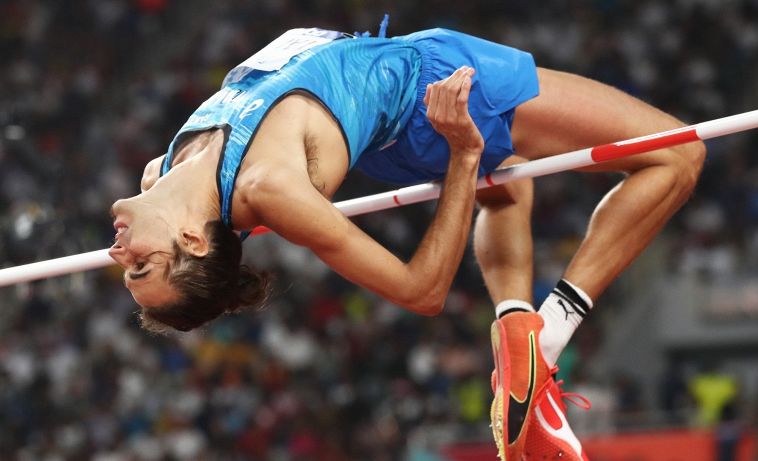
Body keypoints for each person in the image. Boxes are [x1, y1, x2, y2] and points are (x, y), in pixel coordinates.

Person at [108, 24, 705, 460]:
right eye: (141, 269)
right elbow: (423, 292)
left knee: (508, 187)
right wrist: (463, 150)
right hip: (433, 85)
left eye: (130, 271)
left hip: (388, 120)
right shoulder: (269, 189)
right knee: (678, 153)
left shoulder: (164, 173)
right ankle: (547, 337)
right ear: (191, 239)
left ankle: (517, 336)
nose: (118, 257)